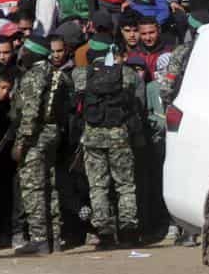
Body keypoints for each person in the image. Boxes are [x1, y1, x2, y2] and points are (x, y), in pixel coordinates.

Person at [73, 40, 144, 249]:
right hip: (119, 136)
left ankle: (104, 233)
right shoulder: (126, 73)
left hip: (93, 136)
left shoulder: (80, 74)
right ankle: (129, 232)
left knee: (98, 186)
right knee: (125, 185)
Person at [10, 36, 70, 256]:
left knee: (33, 188)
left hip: (36, 137)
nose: (21, 52)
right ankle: (54, 238)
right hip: (53, 134)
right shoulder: (56, 73)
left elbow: (31, 112)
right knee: (50, 185)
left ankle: (39, 240)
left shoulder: (34, 75)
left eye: (25, 49)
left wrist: (21, 143)